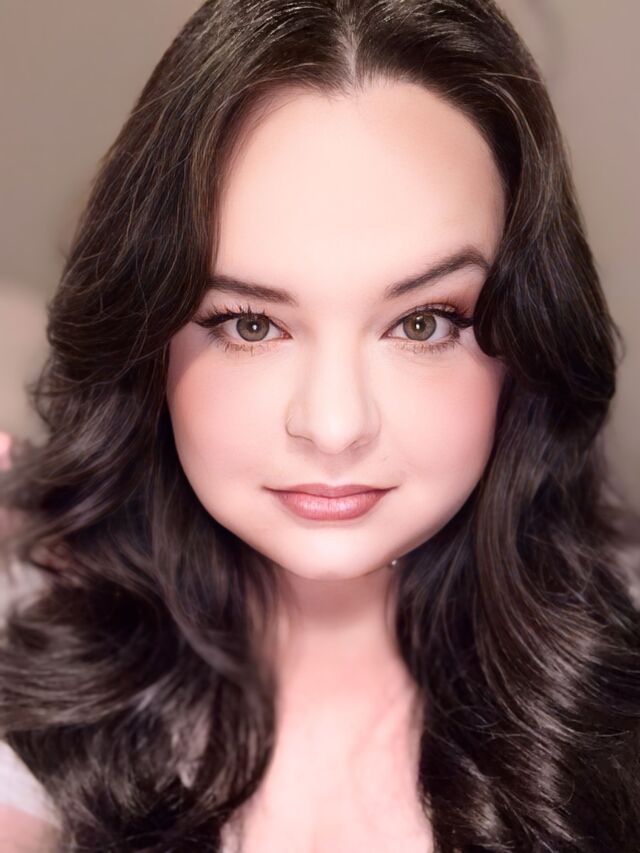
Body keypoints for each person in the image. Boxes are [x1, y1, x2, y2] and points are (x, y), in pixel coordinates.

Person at [1, 1, 639, 850]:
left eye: (423, 322)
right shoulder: (36, 652)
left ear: (528, 335)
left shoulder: (619, 670)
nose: (334, 427)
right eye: (250, 323)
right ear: (146, 338)